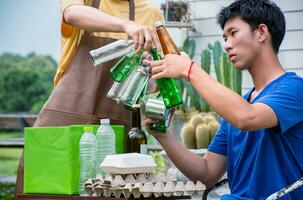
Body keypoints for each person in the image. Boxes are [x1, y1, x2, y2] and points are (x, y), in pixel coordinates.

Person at [143, 0, 303, 199]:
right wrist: (163, 135)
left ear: (261, 32)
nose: (227, 45)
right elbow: (207, 173)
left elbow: (247, 118)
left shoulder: (295, 89)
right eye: (224, 37)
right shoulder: (238, 107)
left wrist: (189, 69)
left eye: (233, 33)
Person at [15, 0, 163, 197]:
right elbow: (72, 14)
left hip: (118, 123)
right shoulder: (83, 3)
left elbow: (155, 81)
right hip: (67, 112)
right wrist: (125, 24)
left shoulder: (151, 12)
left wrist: (150, 69)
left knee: (113, 191)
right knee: (44, 186)